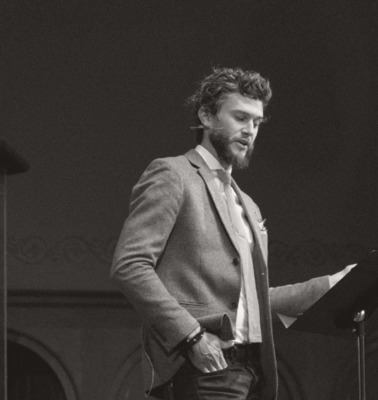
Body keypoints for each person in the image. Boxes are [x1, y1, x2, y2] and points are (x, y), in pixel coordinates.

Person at [111, 67, 354, 400]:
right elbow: (129, 266)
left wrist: (329, 285)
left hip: (250, 371)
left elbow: (252, 301)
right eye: (240, 117)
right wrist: (192, 337)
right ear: (206, 116)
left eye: (257, 122)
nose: (249, 130)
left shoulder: (249, 205)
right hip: (200, 365)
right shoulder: (173, 174)